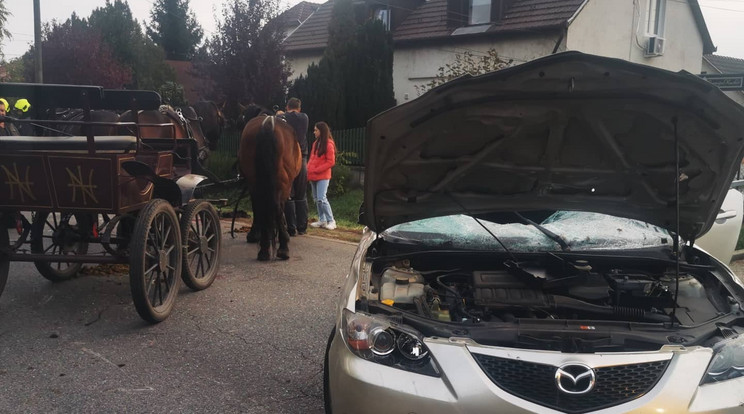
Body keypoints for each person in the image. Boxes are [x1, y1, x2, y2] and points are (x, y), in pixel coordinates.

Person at [277, 98, 309, 236]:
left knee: (288, 193)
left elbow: (285, 117)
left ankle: (291, 227)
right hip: (302, 159)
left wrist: (279, 115)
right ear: (299, 108)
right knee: (301, 194)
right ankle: (302, 227)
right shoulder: (304, 118)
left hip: (286, 158)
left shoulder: (282, 117)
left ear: (287, 107)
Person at [307, 121, 337, 230]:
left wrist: (316, 170)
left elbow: (331, 162)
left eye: (316, 130)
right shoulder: (315, 143)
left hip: (323, 176)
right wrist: (309, 170)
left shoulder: (328, 144)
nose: (314, 132)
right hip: (313, 175)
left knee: (322, 198)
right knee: (316, 199)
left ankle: (331, 220)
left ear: (321, 131)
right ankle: (322, 220)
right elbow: (312, 158)